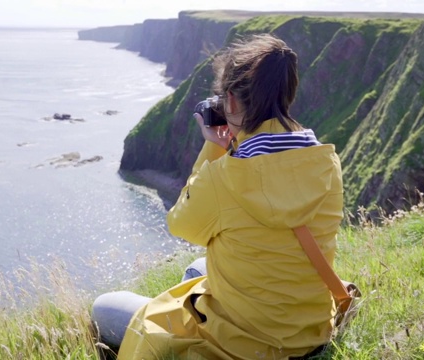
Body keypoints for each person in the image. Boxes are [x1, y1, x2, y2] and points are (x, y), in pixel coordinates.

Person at [92, 33, 344, 359]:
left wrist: (213, 146)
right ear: (286, 95)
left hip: (244, 345)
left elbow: (180, 223)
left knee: (104, 307)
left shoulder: (224, 176)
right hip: (309, 332)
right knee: (198, 268)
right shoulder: (326, 161)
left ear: (233, 102)